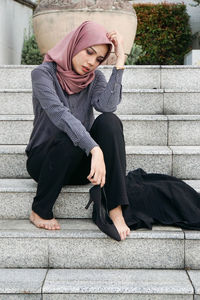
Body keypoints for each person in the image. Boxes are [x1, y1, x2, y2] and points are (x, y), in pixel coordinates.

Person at [26, 20, 131, 241]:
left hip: (80, 162)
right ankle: (39, 210)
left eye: (99, 59)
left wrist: (120, 61)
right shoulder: (42, 74)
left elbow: (107, 106)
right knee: (68, 136)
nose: (92, 62)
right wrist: (95, 148)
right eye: (89, 52)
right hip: (46, 160)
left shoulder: (94, 79)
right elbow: (59, 115)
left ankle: (115, 208)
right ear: (76, 43)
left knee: (110, 121)